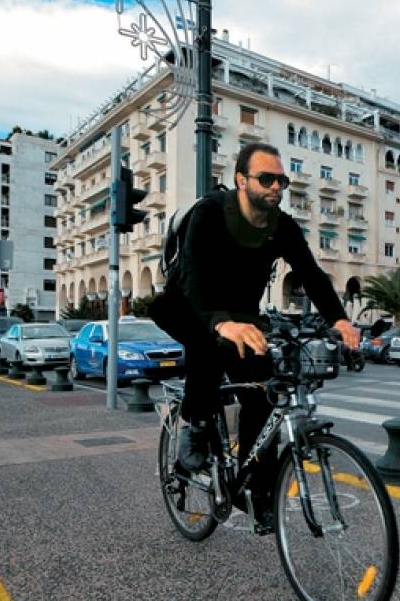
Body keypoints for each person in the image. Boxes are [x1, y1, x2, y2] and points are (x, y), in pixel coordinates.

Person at [150, 142, 359, 526]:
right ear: (241, 180)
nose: (276, 186)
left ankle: (256, 490)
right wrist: (219, 322)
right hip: (185, 304)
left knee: (266, 391)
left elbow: (311, 274)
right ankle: (195, 428)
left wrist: (339, 319)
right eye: (266, 178)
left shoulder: (282, 226)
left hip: (244, 317)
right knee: (206, 344)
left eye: (282, 179)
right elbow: (194, 274)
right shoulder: (212, 212)